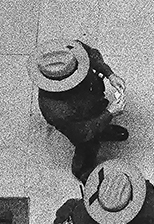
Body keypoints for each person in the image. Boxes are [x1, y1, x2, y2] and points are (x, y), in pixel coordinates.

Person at [30, 39, 129, 181]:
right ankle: (83, 169)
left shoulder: (70, 52)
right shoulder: (55, 110)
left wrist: (109, 74)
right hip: (80, 121)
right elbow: (81, 133)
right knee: (88, 143)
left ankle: (103, 129)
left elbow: (91, 55)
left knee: (100, 119)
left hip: (93, 100)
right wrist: (110, 113)